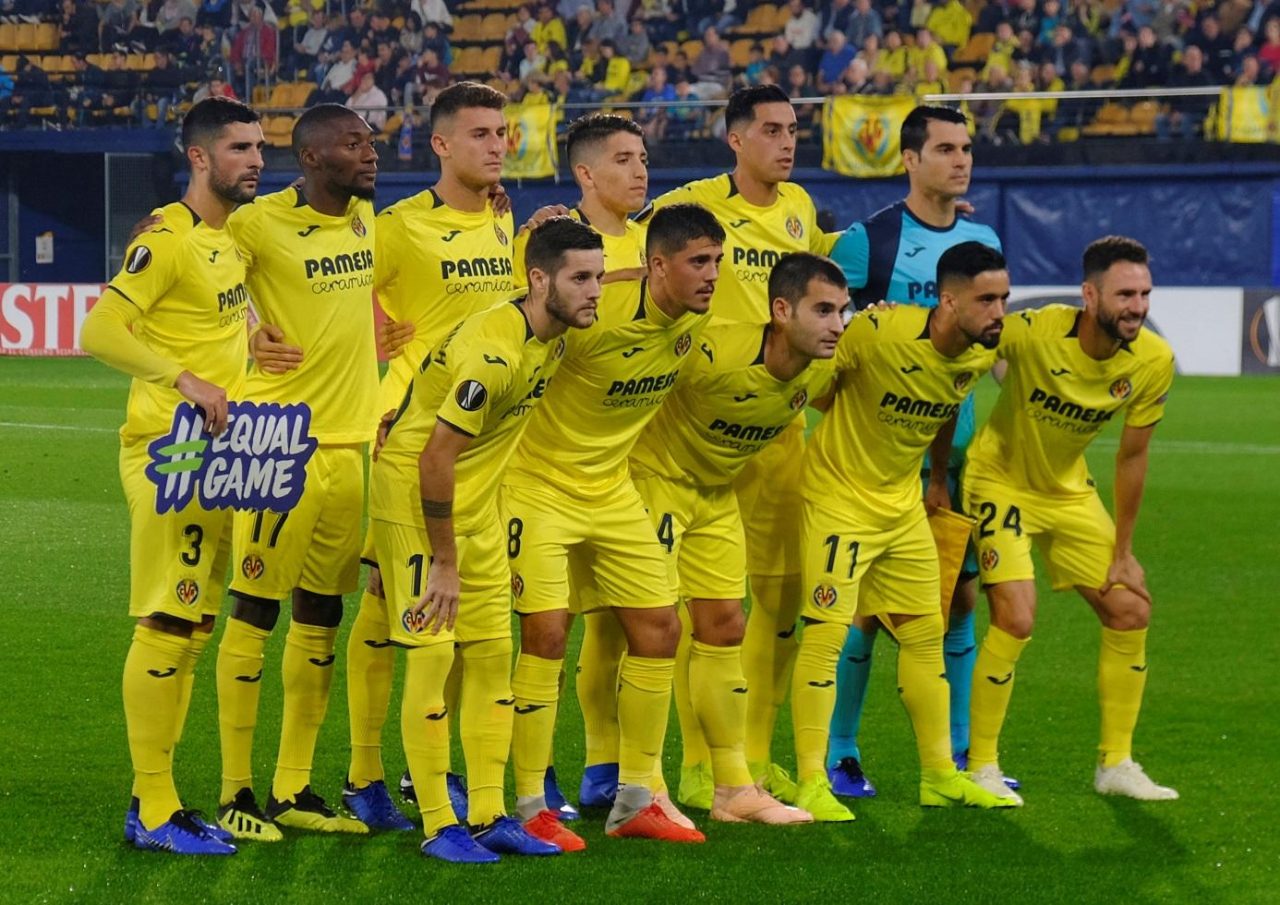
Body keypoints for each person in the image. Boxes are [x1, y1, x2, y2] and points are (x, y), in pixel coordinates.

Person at [371, 217, 605, 862]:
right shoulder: (494, 353)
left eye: (599, 277)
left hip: (478, 506)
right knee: (433, 657)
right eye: (581, 279)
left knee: (492, 657)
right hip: (418, 502)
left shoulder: (552, 331)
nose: (594, 291)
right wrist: (443, 562)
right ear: (540, 280)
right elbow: (434, 458)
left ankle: (489, 813)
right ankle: (438, 823)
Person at [640, 84, 837, 811]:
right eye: (773, 130)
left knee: (775, 602)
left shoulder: (799, 209)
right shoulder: (693, 203)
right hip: (696, 420)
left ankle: (749, 758)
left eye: (794, 129)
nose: (788, 142)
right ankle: (697, 765)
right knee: (691, 606)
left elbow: (822, 277)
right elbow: (631, 250)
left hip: (778, 431)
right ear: (736, 139)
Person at [502, 204, 724, 849]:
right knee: (547, 633)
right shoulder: (598, 310)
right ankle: (529, 804)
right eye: (698, 262)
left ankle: (635, 800)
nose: (713, 275)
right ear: (658, 266)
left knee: (660, 629)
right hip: (538, 486)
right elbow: (515, 332)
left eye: (717, 261)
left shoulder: (694, 317)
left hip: (612, 488)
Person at [80, 97, 264, 856]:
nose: (256, 160)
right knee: (167, 619)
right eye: (240, 148)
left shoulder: (232, 237)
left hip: (222, 451)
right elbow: (98, 328)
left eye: (260, 147)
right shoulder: (168, 239)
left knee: (192, 626)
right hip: (170, 450)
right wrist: (182, 377)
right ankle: (152, 808)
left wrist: (255, 336)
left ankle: (158, 800)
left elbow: (217, 317)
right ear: (199, 156)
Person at [789, 241, 1020, 820]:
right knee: (826, 634)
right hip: (840, 500)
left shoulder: (973, 355)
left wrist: (937, 479)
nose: (999, 312)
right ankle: (812, 780)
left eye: (1004, 299)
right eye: (987, 300)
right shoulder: (878, 333)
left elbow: (948, 402)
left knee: (924, 635)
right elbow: (815, 384)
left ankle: (939, 775)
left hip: (903, 506)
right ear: (949, 301)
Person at [628, 252, 852, 825]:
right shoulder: (713, 350)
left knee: (727, 625)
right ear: (781, 311)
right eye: (823, 311)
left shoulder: (819, 369)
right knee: (655, 630)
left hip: (715, 492)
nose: (837, 325)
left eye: (843, 311)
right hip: (655, 482)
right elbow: (631, 366)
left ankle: (732, 788)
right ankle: (644, 789)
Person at [208, 105, 381, 841]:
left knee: (321, 616)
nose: (370, 153)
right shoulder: (257, 223)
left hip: (350, 448)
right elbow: (196, 272)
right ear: (311, 158)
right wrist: (248, 332)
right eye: (354, 143)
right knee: (254, 608)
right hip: (277, 443)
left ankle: (293, 788)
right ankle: (234, 793)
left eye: (370, 141)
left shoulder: (370, 221)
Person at [350, 81, 518, 824]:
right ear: (441, 144)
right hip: (413, 433)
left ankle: (427, 773)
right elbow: (324, 292)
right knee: (395, 603)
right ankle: (367, 772)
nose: (497, 145)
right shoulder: (401, 226)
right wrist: (369, 328)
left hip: (485, 444)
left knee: (453, 617)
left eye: (502, 133)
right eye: (481, 134)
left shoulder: (504, 219)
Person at [824, 104, 1003, 798]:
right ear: (909, 158)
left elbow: (983, 340)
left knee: (959, 601)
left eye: (967, 149)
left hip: (952, 454)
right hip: (878, 462)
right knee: (866, 610)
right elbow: (824, 329)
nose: (961, 161)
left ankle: (957, 753)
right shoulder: (870, 241)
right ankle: (841, 752)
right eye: (946, 149)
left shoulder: (982, 237)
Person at [963, 236, 1178, 804]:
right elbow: (967, 340)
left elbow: (1133, 457)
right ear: (1090, 295)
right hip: (999, 481)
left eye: (1144, 294)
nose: (1137, 306)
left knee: (1130, 608)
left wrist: (1123, 553)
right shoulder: (1035, 330)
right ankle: (980, 766)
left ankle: (1116, 764)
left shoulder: (1152, 360)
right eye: (1125, 294)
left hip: (1067, 490)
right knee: (1016, 617)